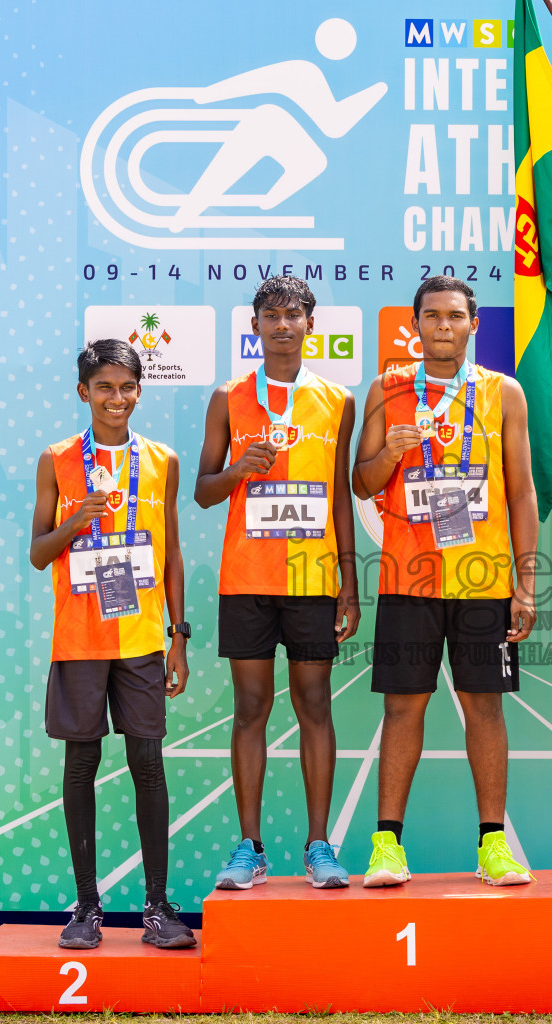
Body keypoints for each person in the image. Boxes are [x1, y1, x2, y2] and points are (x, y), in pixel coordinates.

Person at [351, 275, 537, 887]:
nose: (443, 326)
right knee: (403, 709)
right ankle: (386, 847)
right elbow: (362, 482)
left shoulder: (503, 393)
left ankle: (492, 846)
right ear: (416, 324)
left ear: (472, 324)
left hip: (484, 581)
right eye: (431, 316)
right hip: (410, 579)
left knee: (484, 708)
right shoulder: (387, 389)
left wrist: (526, 584)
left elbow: (521, 493)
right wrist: (393, 452)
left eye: (455, 316)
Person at [28, 338, 195, 950]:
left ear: (139, 393)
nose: (116, 398)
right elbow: (38, 552)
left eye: (126, 388)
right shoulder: (56, 459)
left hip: (143, 639)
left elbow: (172, 552)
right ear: (83, 393)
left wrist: (179, 637)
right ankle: (87, 909)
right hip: (79, 640)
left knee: (148, 765)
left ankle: (156, 909)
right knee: (81, 765)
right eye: (104, 387)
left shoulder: (162, 461)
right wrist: (77, 520)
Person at [194, 276, 360, 890]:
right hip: (248, 578)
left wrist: (349, 577)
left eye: (293, 315)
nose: (282, 325)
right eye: (271, 315)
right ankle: (249, 847)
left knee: (314, 704)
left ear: (309, 325)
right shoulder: (228, 397)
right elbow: (203, 490)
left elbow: (340, 492)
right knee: (251, 709)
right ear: (256, 325)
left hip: (312, 577)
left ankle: (319, 846)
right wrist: (237, 469)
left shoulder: (337, 400)